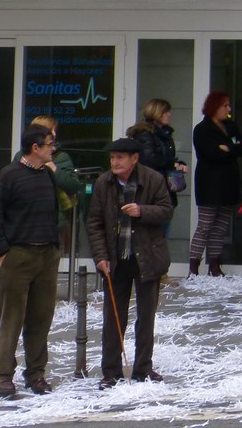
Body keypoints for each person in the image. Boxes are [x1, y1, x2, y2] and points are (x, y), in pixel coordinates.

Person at [87, 136, 173, 387]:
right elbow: (94, 222)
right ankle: (110, 371)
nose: (115, 162)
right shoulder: (104, 182)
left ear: (134, 158)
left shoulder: (153, 179)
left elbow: (167, 211)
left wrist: (142, 211)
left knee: (146, 316)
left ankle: (143, 368)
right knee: (114, 316)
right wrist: (101, 256)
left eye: (120, 157)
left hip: (147, 256)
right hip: (116, 258)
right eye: (112, 158)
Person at [0, 125, 63, 397]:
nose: (53, 148)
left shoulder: (48, 176)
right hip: (18, 254)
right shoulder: (9, 175)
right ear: (35, 148)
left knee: (41, 317)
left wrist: (55, 246)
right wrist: (3, 251)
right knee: (12, 318)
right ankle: (3, 375)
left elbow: (54, 211)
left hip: (46, 255)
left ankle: (36, 373)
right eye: (49, 144)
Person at [190, 91, 242, 277]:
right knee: (205, 224)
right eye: (225, 106)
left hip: (228, 182)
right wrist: (230, 150)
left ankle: (215, 265)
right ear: (214, 106)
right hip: (209, 184)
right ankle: (193, 267)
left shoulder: (230, 126)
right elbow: (210, 154)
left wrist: (228, 149)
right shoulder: (202, 129)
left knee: (221, 226)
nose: (228, 109)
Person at [128, 99, 187, 245]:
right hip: (151, 189)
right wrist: (172, 164)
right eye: (166, 112)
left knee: (161, 234)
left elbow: (164, 157)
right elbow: (148, 159)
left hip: (164, 187)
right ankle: (149, 266)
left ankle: (156, 264)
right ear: (157, 113)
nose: (170, 115)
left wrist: (178, 164)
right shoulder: (145, 134)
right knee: (152, 235)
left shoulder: (164, 134)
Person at [22, 115, 83, 252]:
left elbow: (73, 185)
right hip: (27, 220)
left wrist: (54, 169)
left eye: (55, 130)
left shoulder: (61, 157)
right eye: (51, 130)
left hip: (55, 220)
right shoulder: (22, 156)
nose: (55, 134)